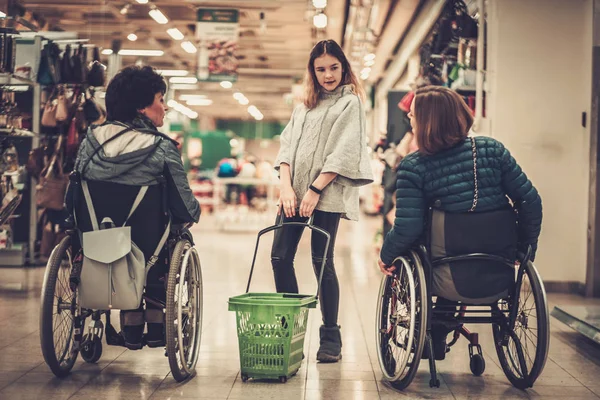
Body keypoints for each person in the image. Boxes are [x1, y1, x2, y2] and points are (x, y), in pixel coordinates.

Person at [377, 85, 542, 358]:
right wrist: (525, 248)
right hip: (498, 264)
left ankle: (436, 334)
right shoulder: (492, 150)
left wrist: (387, 255)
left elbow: (408, 226)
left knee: (422, 247)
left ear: (429, 122)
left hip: (444, 271)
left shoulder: (414, 165)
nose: (410, 121)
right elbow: (530, 201)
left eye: (414, 115)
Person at [67, 65, 200, 349]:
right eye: (160, 100)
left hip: (96, 243)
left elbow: (74, 195)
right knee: (169, 235)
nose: (164, 108)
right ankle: (151, 317)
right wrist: (192, 215)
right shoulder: (162, 147)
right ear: (142, 107)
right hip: (147, 253)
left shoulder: (90, 140)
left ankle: (115, 317)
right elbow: (185, 206)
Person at [272, 39, 374, 363]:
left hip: (325, 194)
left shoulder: (350, 104)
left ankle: (331, 337)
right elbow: (286, 147)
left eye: (333, 67)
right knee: (279, 257)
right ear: (312, 71)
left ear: (343, 67)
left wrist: (315, 189)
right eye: (320, 69)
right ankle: (289, 330)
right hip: (293, 192)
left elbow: (344, 151)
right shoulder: (304, 105)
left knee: (321, 262)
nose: (327, 75)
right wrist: (286, 187)